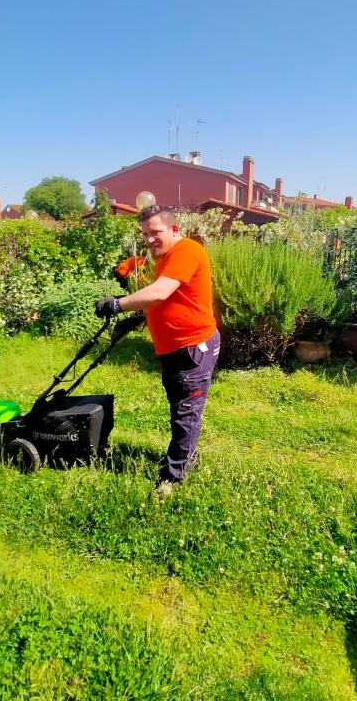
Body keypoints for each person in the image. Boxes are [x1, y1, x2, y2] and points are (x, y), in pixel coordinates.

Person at [95, 205, 219, 497]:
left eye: (155, 232)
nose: (149, 240)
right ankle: (186, 455)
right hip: (175, 349)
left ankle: (172, 479)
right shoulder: (166, 256)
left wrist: (117, 304)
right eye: (145, 234)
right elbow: (169, 298)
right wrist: (139, 316)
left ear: (174, 229)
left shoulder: (186, 252)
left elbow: (159, 292)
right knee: (181, 409)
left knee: (186, 413)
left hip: (193, 349)